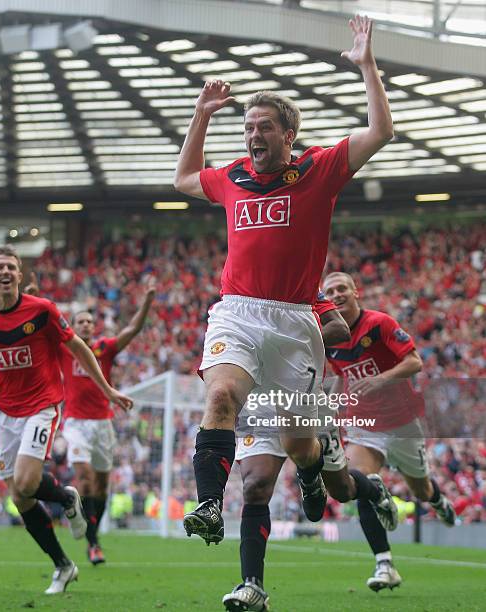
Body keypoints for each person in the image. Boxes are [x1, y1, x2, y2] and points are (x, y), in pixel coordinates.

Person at [173, 14, 393, 546]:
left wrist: (367, 66)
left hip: (296, 320)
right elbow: (182, 179)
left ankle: (319, 469)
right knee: (221, 396)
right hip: (237, 311)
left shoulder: (318, 170)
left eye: (263, 127)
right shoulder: (233, 178)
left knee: (302, 445)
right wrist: (201, 116)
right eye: (247, 127)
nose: (253, 135)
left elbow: (382, 132)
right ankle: (207, 504)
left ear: (287, 135)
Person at [0, 245, 133, 595]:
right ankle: (63, 565)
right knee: (20, 498)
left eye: (11, 266)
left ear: (19, 275)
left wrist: (108, 389)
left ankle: (66, 499)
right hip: (4, 414)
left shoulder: (42, 311)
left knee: (26, 482)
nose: (5, 272)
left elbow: (79, 348)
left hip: (42, 406)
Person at [222, 293, 397, 611]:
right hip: (260, 405)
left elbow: (340, 330)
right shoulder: (238, 296)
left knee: (342, 491)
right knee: (255, 486)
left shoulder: (303, 291)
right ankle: (253, 586)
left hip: (305, 399)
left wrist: (286, 340)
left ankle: (369, 489)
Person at [322, 271, 456, 592]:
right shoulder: (329, 337)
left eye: (343, 288)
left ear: (357, 292)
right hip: (364, 423)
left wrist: (380, 380)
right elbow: (342, 376)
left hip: (403, 421)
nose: (337, 294)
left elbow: (414, 362)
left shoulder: (379, 323)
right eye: (330, 291)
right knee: (358, 479)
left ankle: (437, 501)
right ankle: (384, 564)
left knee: (421, 490)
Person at [52, 277, 155, 564]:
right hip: (75, 424)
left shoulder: (104, 349)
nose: (85, 325)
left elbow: (132, 329)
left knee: (100, 487)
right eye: (80, 322)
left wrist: (146, 300)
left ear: (93, 327)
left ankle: (93, 540)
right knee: (83, 479)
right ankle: (92, 541)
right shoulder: (64, 348)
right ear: (72, 326)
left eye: (88, 322)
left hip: (102, 424)